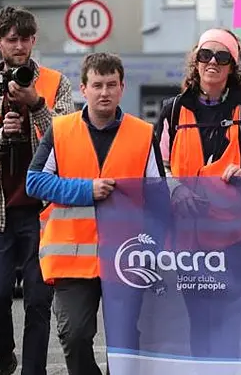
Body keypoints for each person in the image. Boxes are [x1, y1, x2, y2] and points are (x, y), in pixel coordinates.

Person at [25, 53, 165, 375]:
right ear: (83, 88)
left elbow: (159, 196)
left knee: (127, 343)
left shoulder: (143, 134)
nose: (105, 92)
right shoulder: (60, 131)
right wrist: (86, 190)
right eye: (97, 85)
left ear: (122, 87)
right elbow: (35, 182)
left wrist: (157, 248)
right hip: (73, 261)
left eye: (111, 85)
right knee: (73, 336)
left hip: (125, 257)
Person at [0, 5, 75, 375]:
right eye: (12, 39)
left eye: (26, 38)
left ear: (34, 39)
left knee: (39, 299)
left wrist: (36, 105)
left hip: (42, 211)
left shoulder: (55, 83)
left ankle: (34, 371)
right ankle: (2, 356)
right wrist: (2, 134)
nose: (21, 46)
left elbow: (69, 138)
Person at [155, 27, 241, 359]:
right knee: (198, 322)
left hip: (235, 238)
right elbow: (158, 165)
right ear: (196, 61)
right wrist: (175, 189)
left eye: (222, 57)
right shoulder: (173, 110)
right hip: (189, 237)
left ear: (233, 66)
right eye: (206, 55)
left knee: (228, 322)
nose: (212, 63)